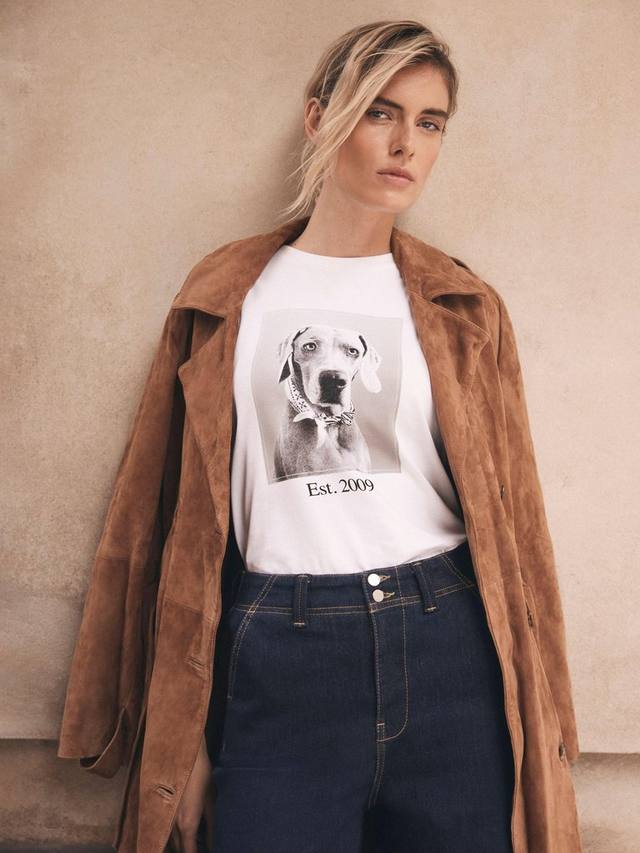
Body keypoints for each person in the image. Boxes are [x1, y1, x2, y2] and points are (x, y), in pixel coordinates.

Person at [57, 18, 583, 853]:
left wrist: (544, 728)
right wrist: (178, 731)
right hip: (282, 651)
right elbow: (154, 521)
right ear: (319, 118)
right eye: (380, 112)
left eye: (430, 122)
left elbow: (520, 529)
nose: (405, 144)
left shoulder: (463, 305)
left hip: (448, 645)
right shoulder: (226, 295)